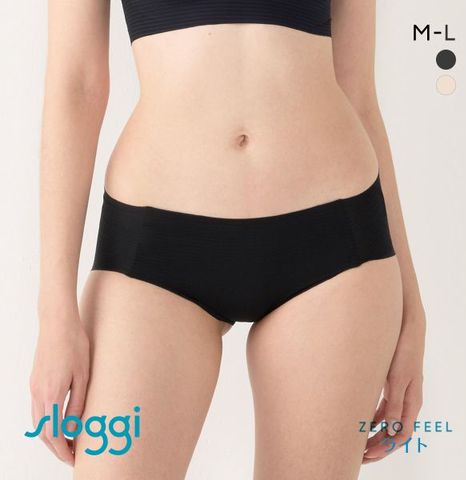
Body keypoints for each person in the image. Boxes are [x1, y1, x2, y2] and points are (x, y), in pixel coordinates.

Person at [30, 1, 426, 478]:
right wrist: (55, 316)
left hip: (335, 247)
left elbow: (357, 92)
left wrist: (411, 309)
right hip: (152, 251)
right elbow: (77, 85)